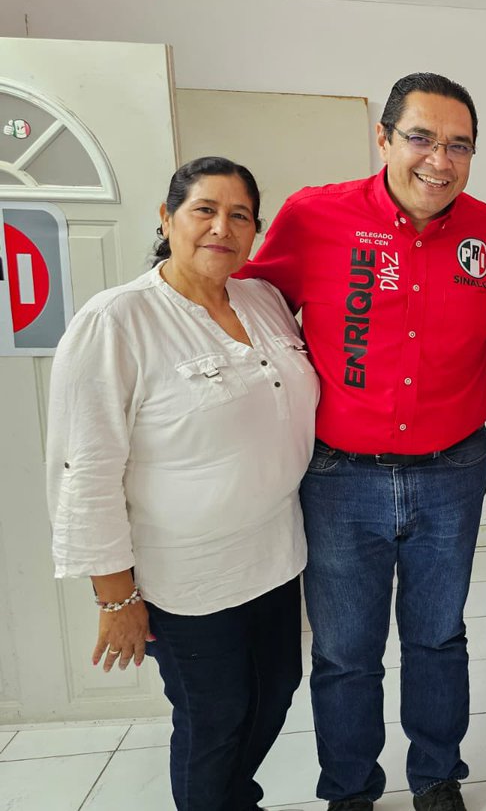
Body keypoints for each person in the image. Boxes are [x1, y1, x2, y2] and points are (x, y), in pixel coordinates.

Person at [237, 72, 486, 811]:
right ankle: (351, 792)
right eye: (421, 138)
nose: (439, 159)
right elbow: (249, 304)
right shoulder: (312, 215)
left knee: (436, 639)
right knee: (344, 654)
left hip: (453, 469)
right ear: (384, 139)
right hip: (339, 478)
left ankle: (435, 777)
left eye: (460, 145)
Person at [46, 156, 319, 811]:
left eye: (240, 215)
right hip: (188, 577)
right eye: (205, 210)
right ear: (167, 219)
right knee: (214, 718)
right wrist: (115, 598)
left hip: (276, 556)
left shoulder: (263, 300)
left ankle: (232, 800)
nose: (221, 227)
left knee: (276, 689)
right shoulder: (117, 321)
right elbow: (85, 467)